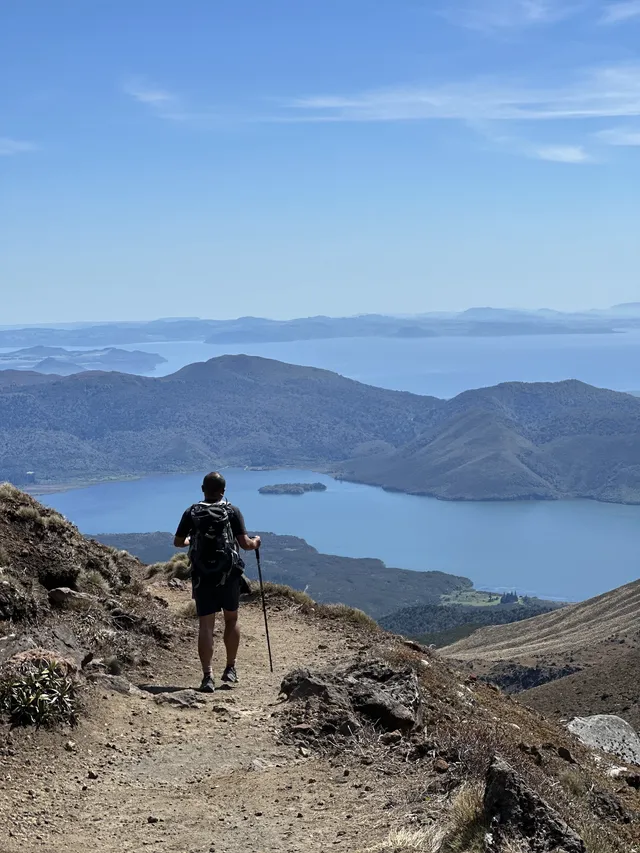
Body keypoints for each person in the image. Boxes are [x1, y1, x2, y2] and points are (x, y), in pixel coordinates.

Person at [174, 472, 260, 693]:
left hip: (202, 576)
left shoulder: (191, 512)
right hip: (229, 575)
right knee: (231, 619)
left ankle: (207, 676)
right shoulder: (232, 511)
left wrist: (191, 540)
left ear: (203, 488)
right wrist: (256, 542)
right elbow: (245, 544)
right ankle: (230, 668)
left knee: (206, 625)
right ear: (224, 490)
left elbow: (177, 542)